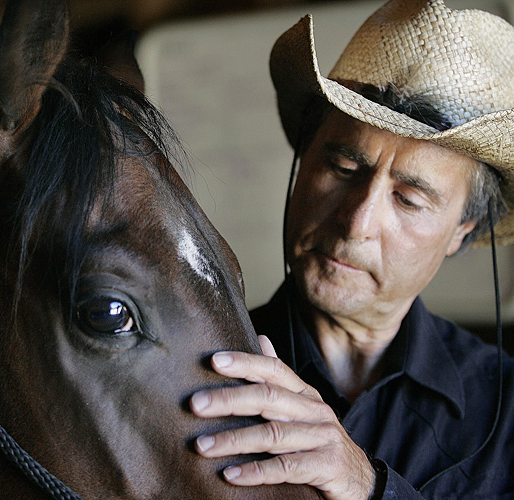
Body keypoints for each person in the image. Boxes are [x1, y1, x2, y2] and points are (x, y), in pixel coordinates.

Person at [189, 0, 514, 498]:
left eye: (408, 199)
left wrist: (368, 487)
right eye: (342, 170)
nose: (357, 222)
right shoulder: (195, 366)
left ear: (462, 230)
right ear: (302, 164)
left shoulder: (507, 407)